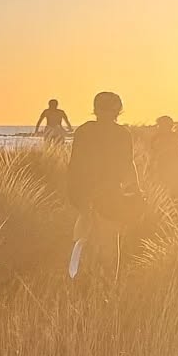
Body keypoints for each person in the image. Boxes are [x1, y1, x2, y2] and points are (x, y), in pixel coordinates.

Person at [66, 90, 140, 278]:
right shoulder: (121, 134)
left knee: (88, 241)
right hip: (104, 194)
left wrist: (76, 194)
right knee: (101, 242)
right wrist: (135, 190)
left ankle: (94, 283)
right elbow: (127, 165)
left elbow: (74, 165)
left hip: (97, 194)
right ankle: (101, 284)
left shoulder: (85, 131)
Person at [145, 113, 178, 197]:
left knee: (174, 191)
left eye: (161, 125)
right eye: (159, 125)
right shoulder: (156, 138)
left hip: (173, 168)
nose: (159, 127)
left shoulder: (174, 137)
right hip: (160, 168)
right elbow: (152, 153)